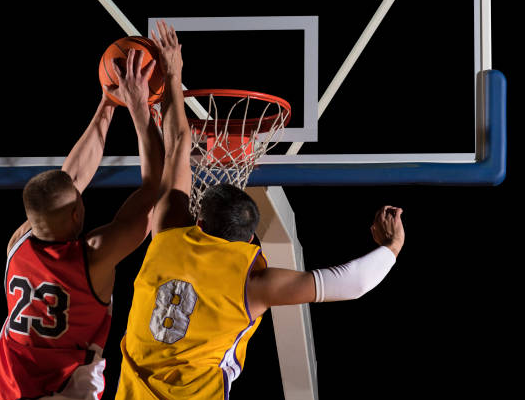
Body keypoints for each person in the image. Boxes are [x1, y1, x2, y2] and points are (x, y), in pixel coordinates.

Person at [115, 22, 405, 400]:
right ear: (250, 239)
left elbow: (178, 144)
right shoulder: (251, 286)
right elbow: (353, 283)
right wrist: (393, 245)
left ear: (198, 220)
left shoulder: (167, 234)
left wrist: (168, 78)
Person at [0, 49, 164, 400]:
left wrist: (107, 103)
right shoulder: (93, 256)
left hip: (13, 386)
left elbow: (67, 180)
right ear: (76, 214)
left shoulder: (18, 242)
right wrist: (139, 107)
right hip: (65, 389)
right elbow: (155, 189)